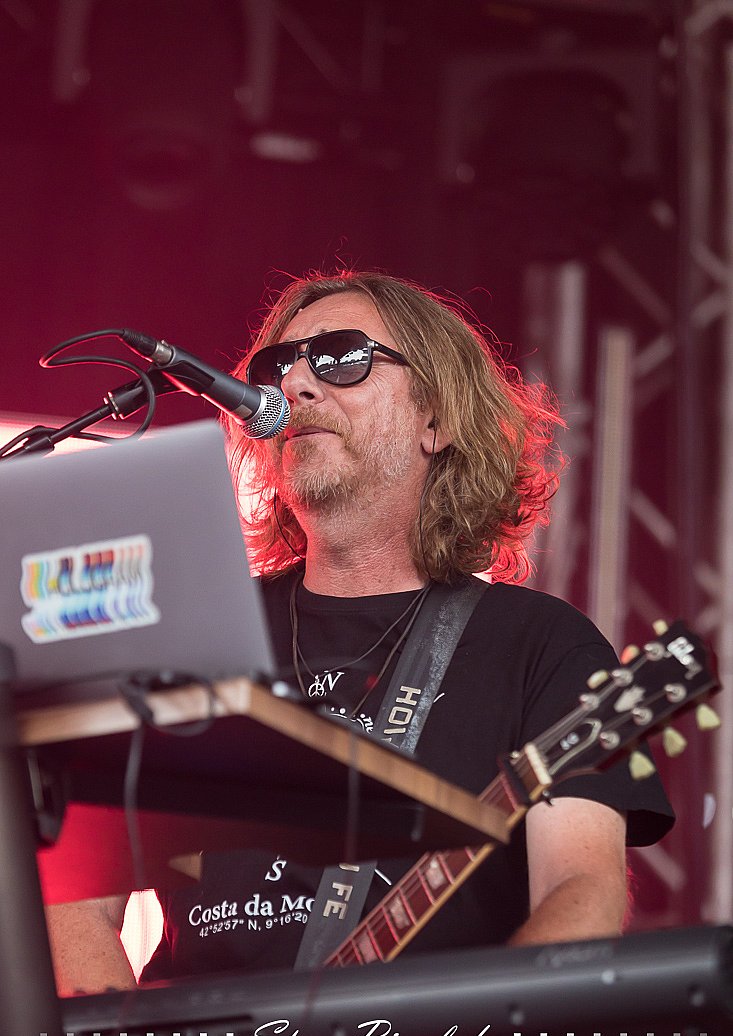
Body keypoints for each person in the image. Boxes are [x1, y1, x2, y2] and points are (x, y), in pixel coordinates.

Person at [47, 270, 673, 993]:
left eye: (341, 357)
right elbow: (77, 903)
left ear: (436, 420)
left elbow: (580, 892)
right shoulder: (196, 636)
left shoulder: (544, 645)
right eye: (277, 366)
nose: (296, 385)